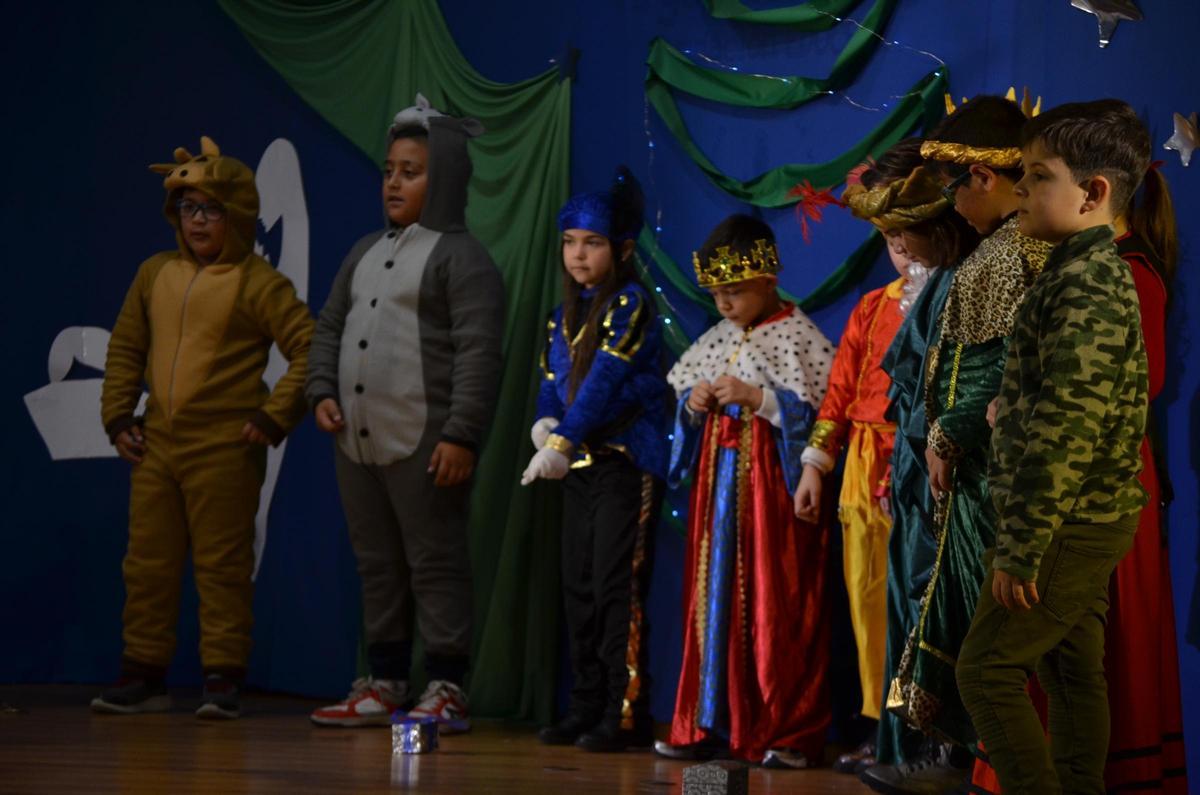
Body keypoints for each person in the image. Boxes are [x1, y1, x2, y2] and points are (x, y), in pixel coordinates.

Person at [863, 96, 1054, 795]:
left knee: (984, 634)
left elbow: (1006, 368)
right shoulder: (984, 261)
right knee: (949, 615)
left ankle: (986, 769)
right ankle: (965, 763)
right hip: (951, 468)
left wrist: (950, 431)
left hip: (989, 472)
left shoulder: (1018, 253)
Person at [94, 136, 314, 720]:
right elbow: (125, 348)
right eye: (188, 208)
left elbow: (312, 350)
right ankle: (144, 674)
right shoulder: (154, 274)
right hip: (157, 445)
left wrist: (273, 417)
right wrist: (118, 416)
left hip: (224, 449)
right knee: (147, 563)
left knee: (222, 566)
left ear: (237, 216)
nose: (197, 221)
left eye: (212, 209)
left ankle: (223, 676)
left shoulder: (260, 284)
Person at [306, 95, 504, 731]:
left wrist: (462, 434)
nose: (394, 181)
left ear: (442, 180)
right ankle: (385, 679)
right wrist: (321, 391)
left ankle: (446, 684)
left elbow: (479, 352)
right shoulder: (365, 250)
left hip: (425, 441)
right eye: (389, 170)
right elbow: (331, 326)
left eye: (411, 172)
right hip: (357, 445)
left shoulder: (461, 258)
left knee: (435, 559)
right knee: (377, 562)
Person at [794, 138, 976, 777]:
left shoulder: (961, 284)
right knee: (879, 602)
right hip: (874, 461)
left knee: (924, 599)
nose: (897, 247)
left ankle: (930, 743)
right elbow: (841, 391)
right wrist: (817, 462)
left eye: (903, 233)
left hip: (924, 458)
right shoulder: (874, 307)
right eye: (887, 237)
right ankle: (889, 732)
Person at [655, 214, 834, 769]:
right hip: (719, 489)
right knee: (712, 599)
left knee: (774, 598)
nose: (724, 305)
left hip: (771, 493)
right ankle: (710, 721)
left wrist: (760, 400)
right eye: (716, 295)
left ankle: (784, 728)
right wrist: (695, 405)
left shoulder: (798, 335)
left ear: (766, 281)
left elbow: (825, 412)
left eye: (733, 292)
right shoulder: (720, 337)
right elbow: (685, 417)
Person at [522, 168, 669, 752]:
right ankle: (583, 706)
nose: (578, 254)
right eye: (570, 242)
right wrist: (544, 425)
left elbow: (603, 382)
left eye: (593, 242)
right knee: (577, 586)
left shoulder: (631, 303)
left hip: (623, 464)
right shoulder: (563, 314)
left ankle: (623, 710)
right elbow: (552, 383)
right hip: (579, 466)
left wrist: (561, 442)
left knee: (615, 587)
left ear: (622, 249)